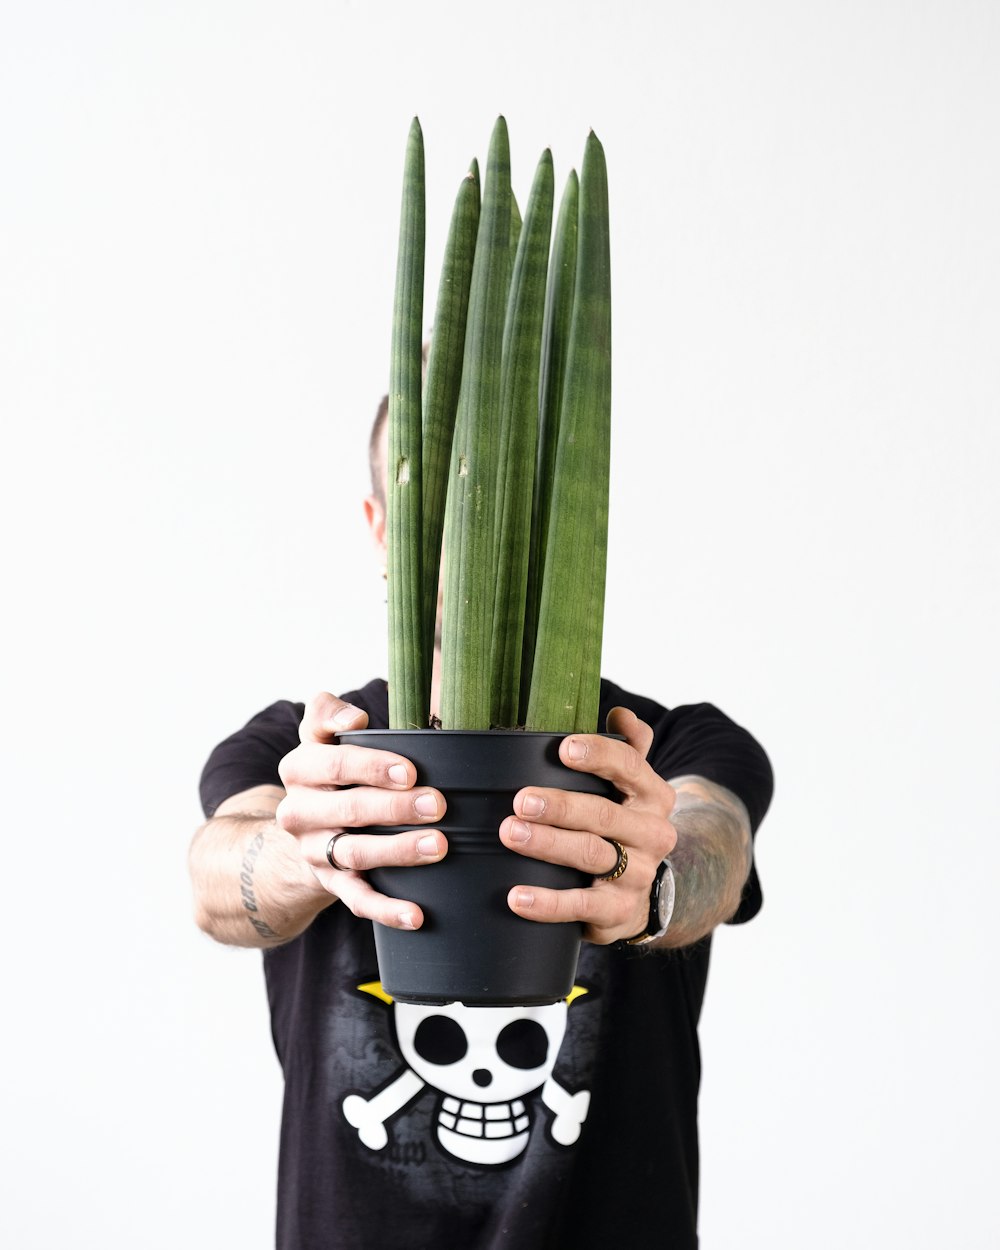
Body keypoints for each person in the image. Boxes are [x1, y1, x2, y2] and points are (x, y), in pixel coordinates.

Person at [189, 396, 773, 1249]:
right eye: (439, 506)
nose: (476, 540)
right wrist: (300, 850)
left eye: (512, 503)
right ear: (381, 530)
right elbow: (216, 874)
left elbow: (710, 839)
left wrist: (657, 882)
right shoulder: (304, 751)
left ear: (570, 525)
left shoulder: (665, 747)